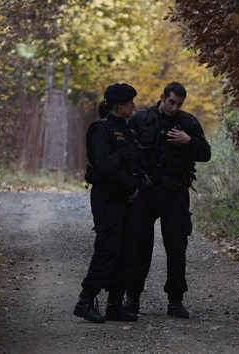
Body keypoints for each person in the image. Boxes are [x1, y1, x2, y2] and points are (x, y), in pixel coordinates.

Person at [124, 82, 211, 318]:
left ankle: (175, 300)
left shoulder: (187, 123)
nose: (174, 108)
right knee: (139, 246)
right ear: (162, 97)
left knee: (176, 247)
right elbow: (125, 154)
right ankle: (132, 297)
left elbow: (205, 153)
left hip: (174, 192)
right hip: (146, 191)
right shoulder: (140, 120)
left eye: (179, 104)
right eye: (171, 102)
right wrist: (137, 178)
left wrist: (188, 141)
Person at [73, 83, 149, 323]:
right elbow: (107, 167)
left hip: (126, 199)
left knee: (128, 250)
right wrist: (130, 185)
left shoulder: (126, 130)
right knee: (107, 250)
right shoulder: (101, 130)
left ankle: (115, 304)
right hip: (108, 199)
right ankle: (86, 301)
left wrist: (137, 185)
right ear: (119, 105)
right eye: (130, 103)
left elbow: (134, 162)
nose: (134, 107)